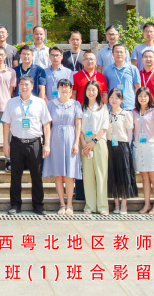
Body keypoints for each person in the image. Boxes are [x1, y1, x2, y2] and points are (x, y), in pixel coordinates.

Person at [3, 75, 52, 215]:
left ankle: (38, 205)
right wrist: (5, 143)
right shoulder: (11, 102)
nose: (24, 87)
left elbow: (46, 124)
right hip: (17, 143)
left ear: (32, 86)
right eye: (21, 84)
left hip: (34, 143)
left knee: (36, 175)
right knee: (15, 175)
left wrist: (46, 144)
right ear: (18, 86)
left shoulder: (40, 103)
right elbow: (6, 124)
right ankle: (15, 204)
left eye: (26, 84)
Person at [43, 79, 82, 215]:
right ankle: (62, 204)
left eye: (67, 87)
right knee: (58, 175)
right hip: (55, 139)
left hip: (70, 138)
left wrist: (76, 142)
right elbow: (47, 124)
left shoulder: (75, 104)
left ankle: (69, 204)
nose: (64, 89)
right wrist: (47, 143)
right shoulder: (51, 104)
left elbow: (78, 124)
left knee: (69, 175)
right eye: (62, 87)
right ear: (57, 89)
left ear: (71, 90)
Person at [132, 87, 154, 215]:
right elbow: (133, 129)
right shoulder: (134, 112)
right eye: (140, 96)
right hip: (139, 146)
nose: (143, 98)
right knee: (144, 177)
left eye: (145, 96)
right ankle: (146, 204)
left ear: (149, 97)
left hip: (151, 146)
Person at [80, 80, 110, 215]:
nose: (91, 92)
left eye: (93, 90)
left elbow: (104, 127)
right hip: (85, 142)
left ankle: (102, 206)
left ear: (98, 92)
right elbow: (78, 127)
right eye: (88, 89)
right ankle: (90, 205)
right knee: (88, 175)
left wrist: (93, 142)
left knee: (101, 174)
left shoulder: (103, 108)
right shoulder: (82, 107)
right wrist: (84, 143)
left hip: (98, 141)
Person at [106, 88, 137, 214]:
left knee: (124, 175)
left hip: (122, 145)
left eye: (117, 98)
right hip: (109, 145)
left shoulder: (126, 114)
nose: (114, 100)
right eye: (112, 97)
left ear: (121, 100)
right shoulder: (106, 113)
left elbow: (129, 132)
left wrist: (126, 146)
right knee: (113, 175)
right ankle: (116, 204)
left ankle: (124, 204)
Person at [105, 44, 141, 111]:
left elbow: (138, 88)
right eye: (116, 52)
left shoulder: (133, 69)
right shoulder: (107, 69)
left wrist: (138, 104)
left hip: (129, 105)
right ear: (112, 54)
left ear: (125, 54)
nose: (119, 54)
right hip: (113, 106)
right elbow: (105, 89)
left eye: (121, 52)